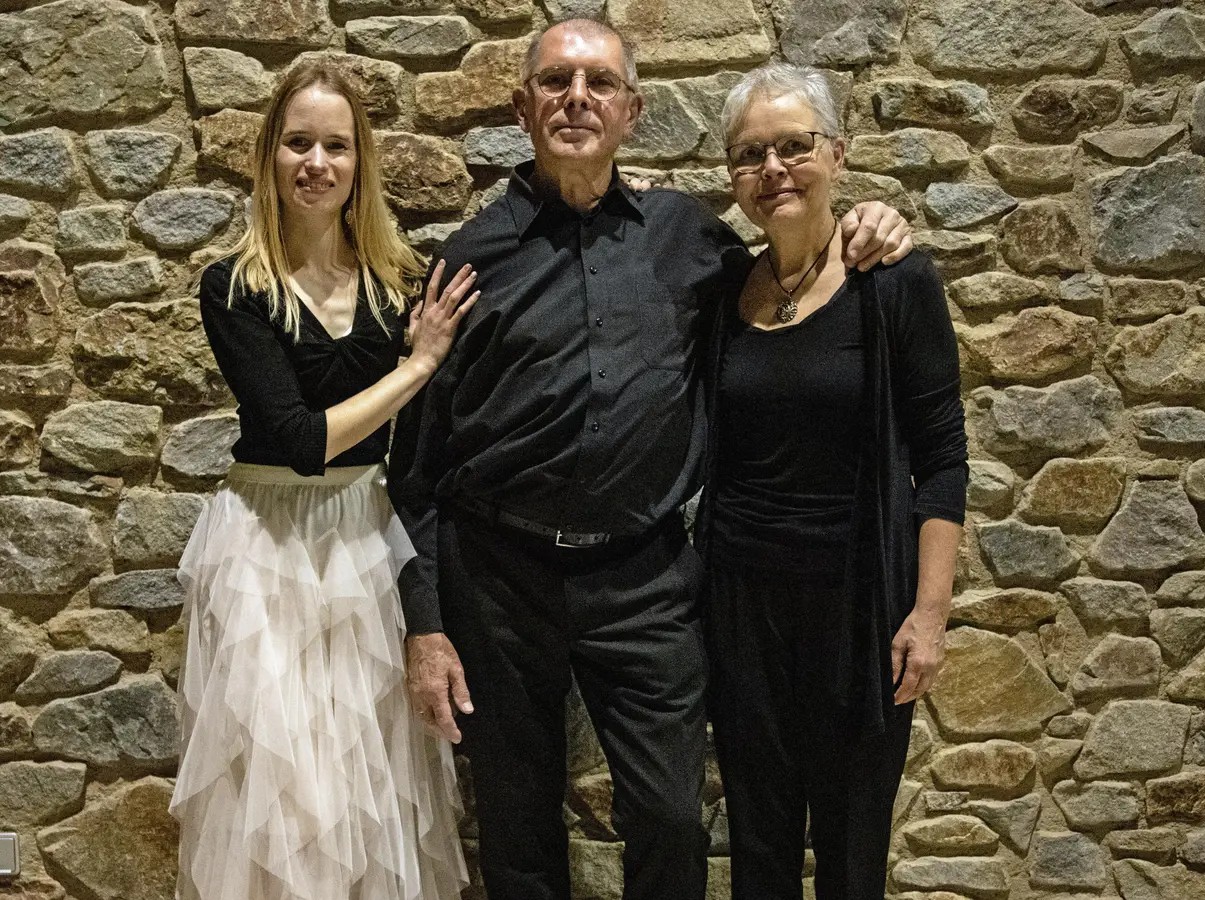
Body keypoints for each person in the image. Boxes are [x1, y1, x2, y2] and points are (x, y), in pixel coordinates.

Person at [388, 18, 913, 900]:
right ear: (523, 107)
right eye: (555, 83)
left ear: (632, 110)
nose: (576, 100)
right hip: (497, 580)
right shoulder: (470, 258)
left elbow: (794, 277)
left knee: (672, 817)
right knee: (517, 830)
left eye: (598, 85)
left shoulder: (696, 241)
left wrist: (871, 219)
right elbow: (418, 466)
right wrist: (426, 623)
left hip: (646, 581)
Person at [170, 61, 478, 900]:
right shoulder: (234, 286)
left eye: (336, 146)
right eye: (298, 142)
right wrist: (418, 365)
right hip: (266, 544)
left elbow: (408, 449)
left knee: (368, 783)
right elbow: (301, 440)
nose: (317, 162)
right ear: (269, 155)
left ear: (359, 163)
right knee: (281, 790)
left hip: (363, 541)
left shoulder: (392, 282)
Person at [696, 62, 967, 900]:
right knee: (759, 845)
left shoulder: (893, 282)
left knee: (853, 854)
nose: (773, 169)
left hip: (861, 611)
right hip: (741, 608)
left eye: (793, 147)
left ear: (837, 155)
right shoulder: (719, 291)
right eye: (750, 155)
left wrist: (928, 616)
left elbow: (943, 457)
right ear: (734, 176)